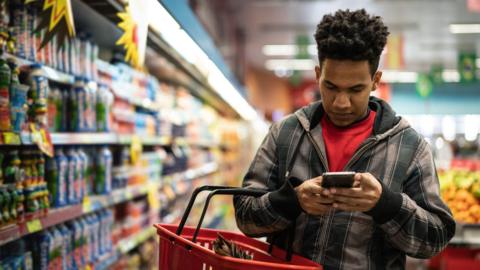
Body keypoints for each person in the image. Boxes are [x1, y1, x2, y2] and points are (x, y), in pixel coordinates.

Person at [234, 9, 455, 270]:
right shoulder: (285, 133)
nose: (341, 103)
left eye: (355, 90)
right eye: (330, 87)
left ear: (375, 81)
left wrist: (386, 205)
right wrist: (293, 201)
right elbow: (245, 216)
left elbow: (436, 238)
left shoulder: (409, 147)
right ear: (318, 75)